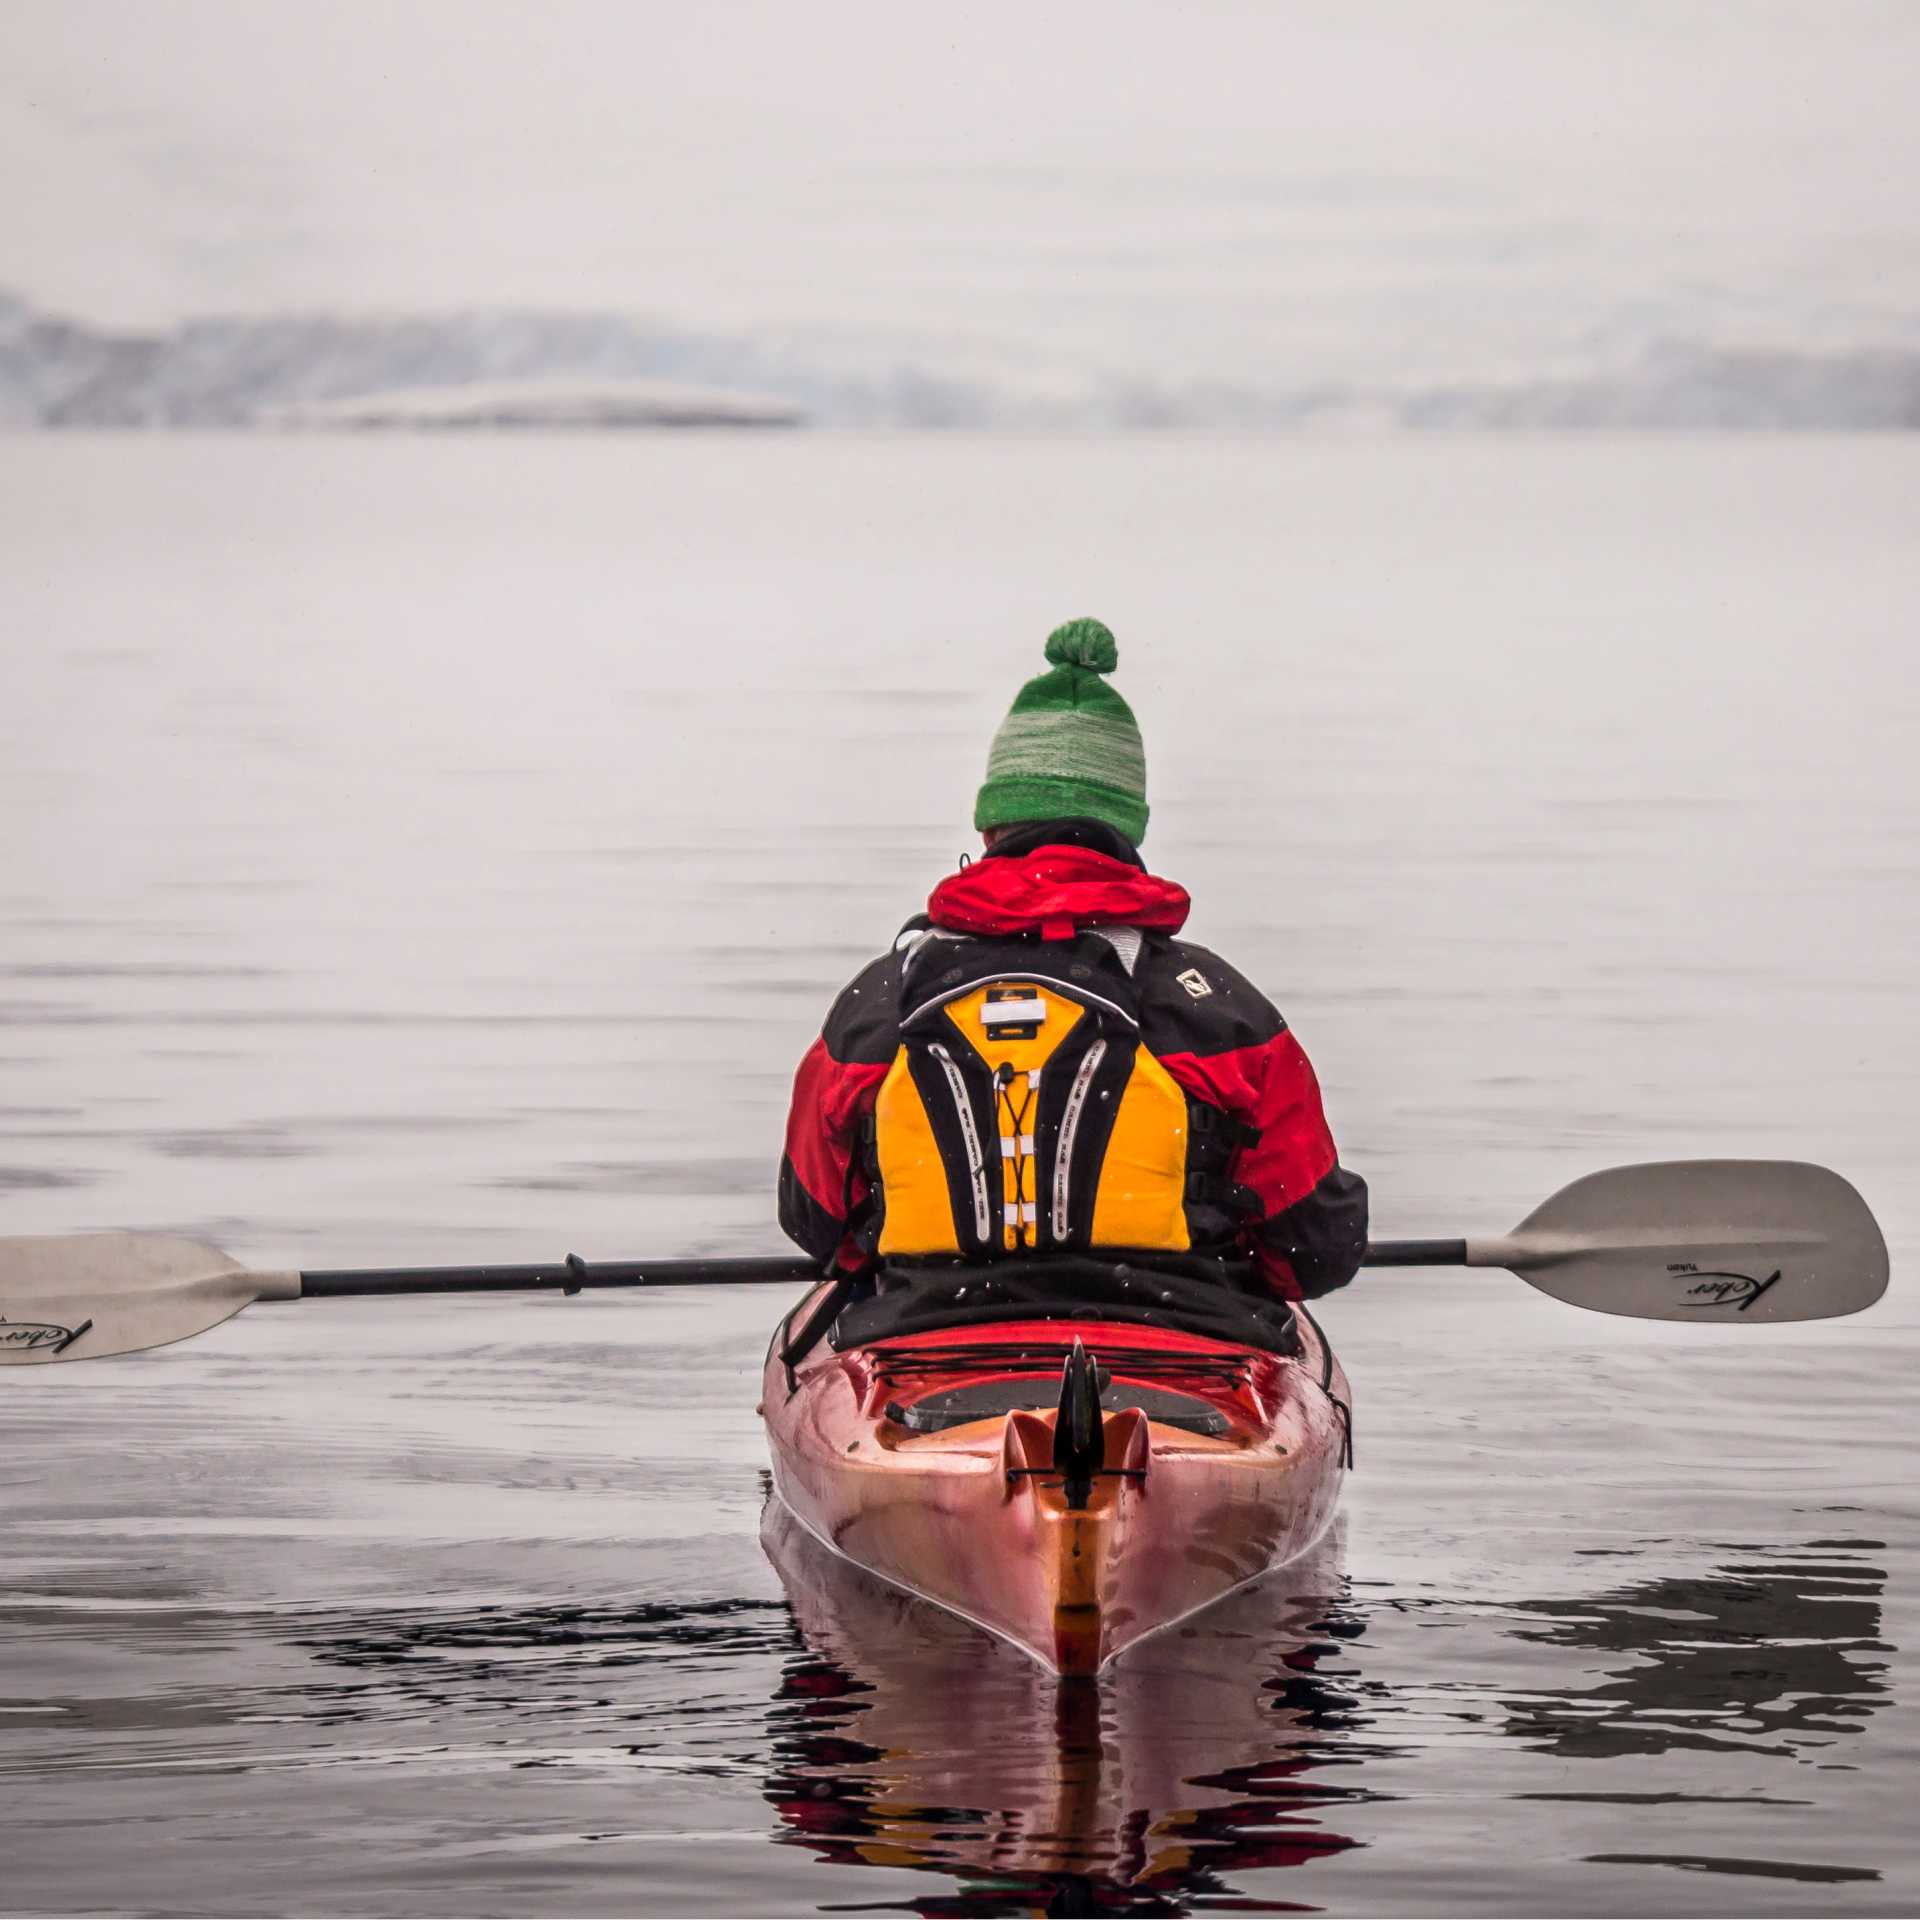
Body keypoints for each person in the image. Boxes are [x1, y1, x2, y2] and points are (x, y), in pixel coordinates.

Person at [777, 618, 1367, 1323]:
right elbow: (1317, 1249)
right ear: (1127, 830)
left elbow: (814, 1224)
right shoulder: (1221, 1011)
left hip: (924, 1344)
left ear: (992, 829)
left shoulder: (879, 1005)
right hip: (1184, 1346)